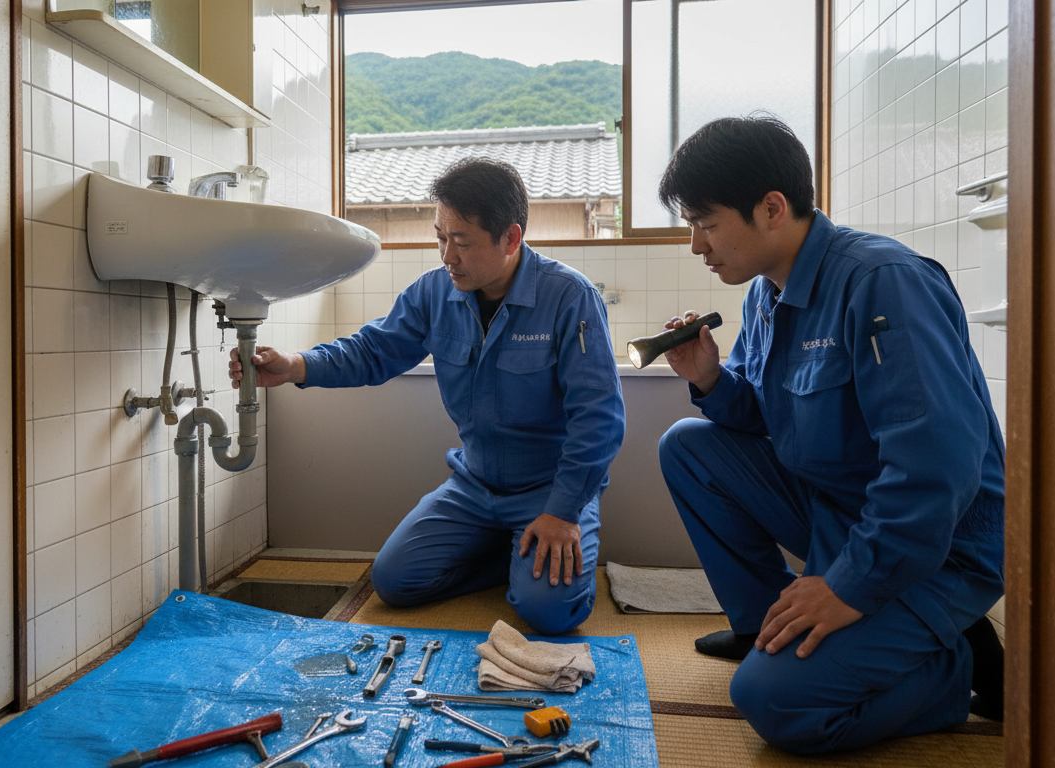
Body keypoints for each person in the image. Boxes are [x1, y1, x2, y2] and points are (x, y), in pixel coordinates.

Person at [654, 115, 1006, 754]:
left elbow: (937, 467)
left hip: (939, 544)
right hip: (838, 510)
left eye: (706, 224)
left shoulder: (883, 282)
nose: (697, 246)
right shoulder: (767, 294)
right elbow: (767, 417)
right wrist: (709, 378)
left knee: (774, 703)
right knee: (688, 445)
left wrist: (849, 587)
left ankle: (952, 668)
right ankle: (771, 627)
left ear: (771, 208)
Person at [229, 158, 625, 635]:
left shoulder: (570, 297)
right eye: (440, 236)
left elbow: (599, 417)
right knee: (394, 582)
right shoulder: (434, 294)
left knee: (549, 613)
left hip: (547, 492)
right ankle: (510, 559)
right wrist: (295, 365)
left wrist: (563, 513)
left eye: (461, 242)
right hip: (474, 487)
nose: (446, 256)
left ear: (511, 239)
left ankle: (533, 556)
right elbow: (374, 350)